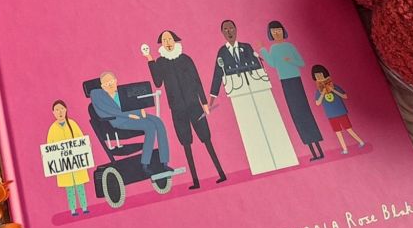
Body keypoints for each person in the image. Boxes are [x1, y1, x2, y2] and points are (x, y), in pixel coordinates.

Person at [209, 19, 297, 175]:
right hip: (239, 94)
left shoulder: (247, 47)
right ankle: (260, 165)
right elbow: (217, 74)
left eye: (231, 28)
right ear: (222, 33)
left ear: (236, 29)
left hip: (258, 89)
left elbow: (257, 64)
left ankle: (285, 158)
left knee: (271, 124)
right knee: (250, 131)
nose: (229, 32)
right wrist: (212, 98)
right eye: (226, 29)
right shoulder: (222, 52)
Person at [144, 30, 226, 189]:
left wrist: (204, 103)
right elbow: (158, 83)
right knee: (186, 143)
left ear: (175, 40)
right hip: (177, 109)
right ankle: (195, 181)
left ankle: (221, 173)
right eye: (164, 40)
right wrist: (150, 59)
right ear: (161, 43)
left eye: (169, 39)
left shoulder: (186, 59)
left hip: (194, 105)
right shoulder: (160, 62)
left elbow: (197, 81)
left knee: (206, 138)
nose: (167, 42)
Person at [258, 20, 324, 160]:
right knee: (296, 115)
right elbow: (272, 64)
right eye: (273, 31)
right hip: (285, 82)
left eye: (278, 30)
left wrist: (290, 60)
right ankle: (313, 151)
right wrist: (263, 50)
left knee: (305, 111)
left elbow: (301, 63)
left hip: (295, 80)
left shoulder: (289, 46)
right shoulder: (273, 48)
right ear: (270, 34)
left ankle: (319, 150)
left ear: (283, 30)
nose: (276, 33)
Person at [89, 71, 171, 174]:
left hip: (133, 115)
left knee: (158, 122)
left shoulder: (121, 92)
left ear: (116, 81)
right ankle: (145, 164)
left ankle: (164, 162)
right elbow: (109, 111)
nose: (109, 85)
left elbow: (132, 105)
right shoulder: (96, 94)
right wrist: (129, 115)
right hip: (119, 120)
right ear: (102, 86)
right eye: (106, 84)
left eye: (111, 82)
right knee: (149, 126)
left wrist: (140, 112)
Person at [46, 100, 91, 216]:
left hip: (77, 163)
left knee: (80, 186)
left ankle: (84, 207)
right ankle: (73, 210)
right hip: (64, 166)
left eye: (62, 109)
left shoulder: (72, 124)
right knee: (69, 189)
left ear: (66, 110)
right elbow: (49, 148)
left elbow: (81, 139)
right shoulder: (52, 129)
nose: (60, 112)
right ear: (53, 113)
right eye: (57, 110)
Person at [312, 65, 366, 155]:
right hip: (331, 115)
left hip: (341, 112)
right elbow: (317, 103)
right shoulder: (318, 91)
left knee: (349, 129)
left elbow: (345, 96)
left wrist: (333, 90)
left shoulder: (335, 86)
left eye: (321, 75)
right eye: (317, 76)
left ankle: (361, 141)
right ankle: (345, 149)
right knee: (338, 132)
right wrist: (323, 93)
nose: (320, 78)